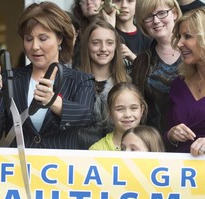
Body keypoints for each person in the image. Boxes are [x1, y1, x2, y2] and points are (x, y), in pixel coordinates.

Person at [0, 2, 95, 149]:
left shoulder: (81, 80)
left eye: (43, 38)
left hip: (61, 169)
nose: (34, 46)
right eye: (28, 39)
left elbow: (86, 117)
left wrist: (53, 101)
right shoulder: (9, 79)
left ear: (59, 39)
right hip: (18, 168)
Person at [131, 0, 182, 137]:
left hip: (193, 139)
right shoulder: (141, 62)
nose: (156, 20)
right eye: (149, 16)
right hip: (155, 142)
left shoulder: (193, 51)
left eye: (161, 13)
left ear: (175, 13)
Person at [78, 19, 130, 149]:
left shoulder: (128, 82)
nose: (103, 48)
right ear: (87, 46)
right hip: (80, 156)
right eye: (96, 43)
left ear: (116, 47)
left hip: (117, 158)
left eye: (109, 43)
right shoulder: (73, 81)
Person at [166, 7, 205, 157]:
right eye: (179, 37)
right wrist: (171, 135)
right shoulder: (178, 84)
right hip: (180, 175)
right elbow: (167, 138)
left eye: (187, 36)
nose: (179, 43)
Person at [89, 82, 148, 151]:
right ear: (110, 112)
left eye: (133, 108)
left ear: (142, 110)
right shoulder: (97, 150)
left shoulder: (152, 144)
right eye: (120, 109)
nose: (127, 115)